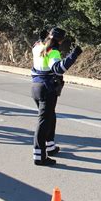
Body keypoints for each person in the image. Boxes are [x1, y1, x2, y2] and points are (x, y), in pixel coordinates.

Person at [31, 27, 83, 166]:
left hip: (36, 87)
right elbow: (58, 68)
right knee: (43, 122)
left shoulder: (38, 46)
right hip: (47, 89)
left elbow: (38, 43)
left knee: (50, 117)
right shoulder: (52, 52)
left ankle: (50, 147)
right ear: (60, 41)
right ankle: (39, 157)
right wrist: (74, 54)